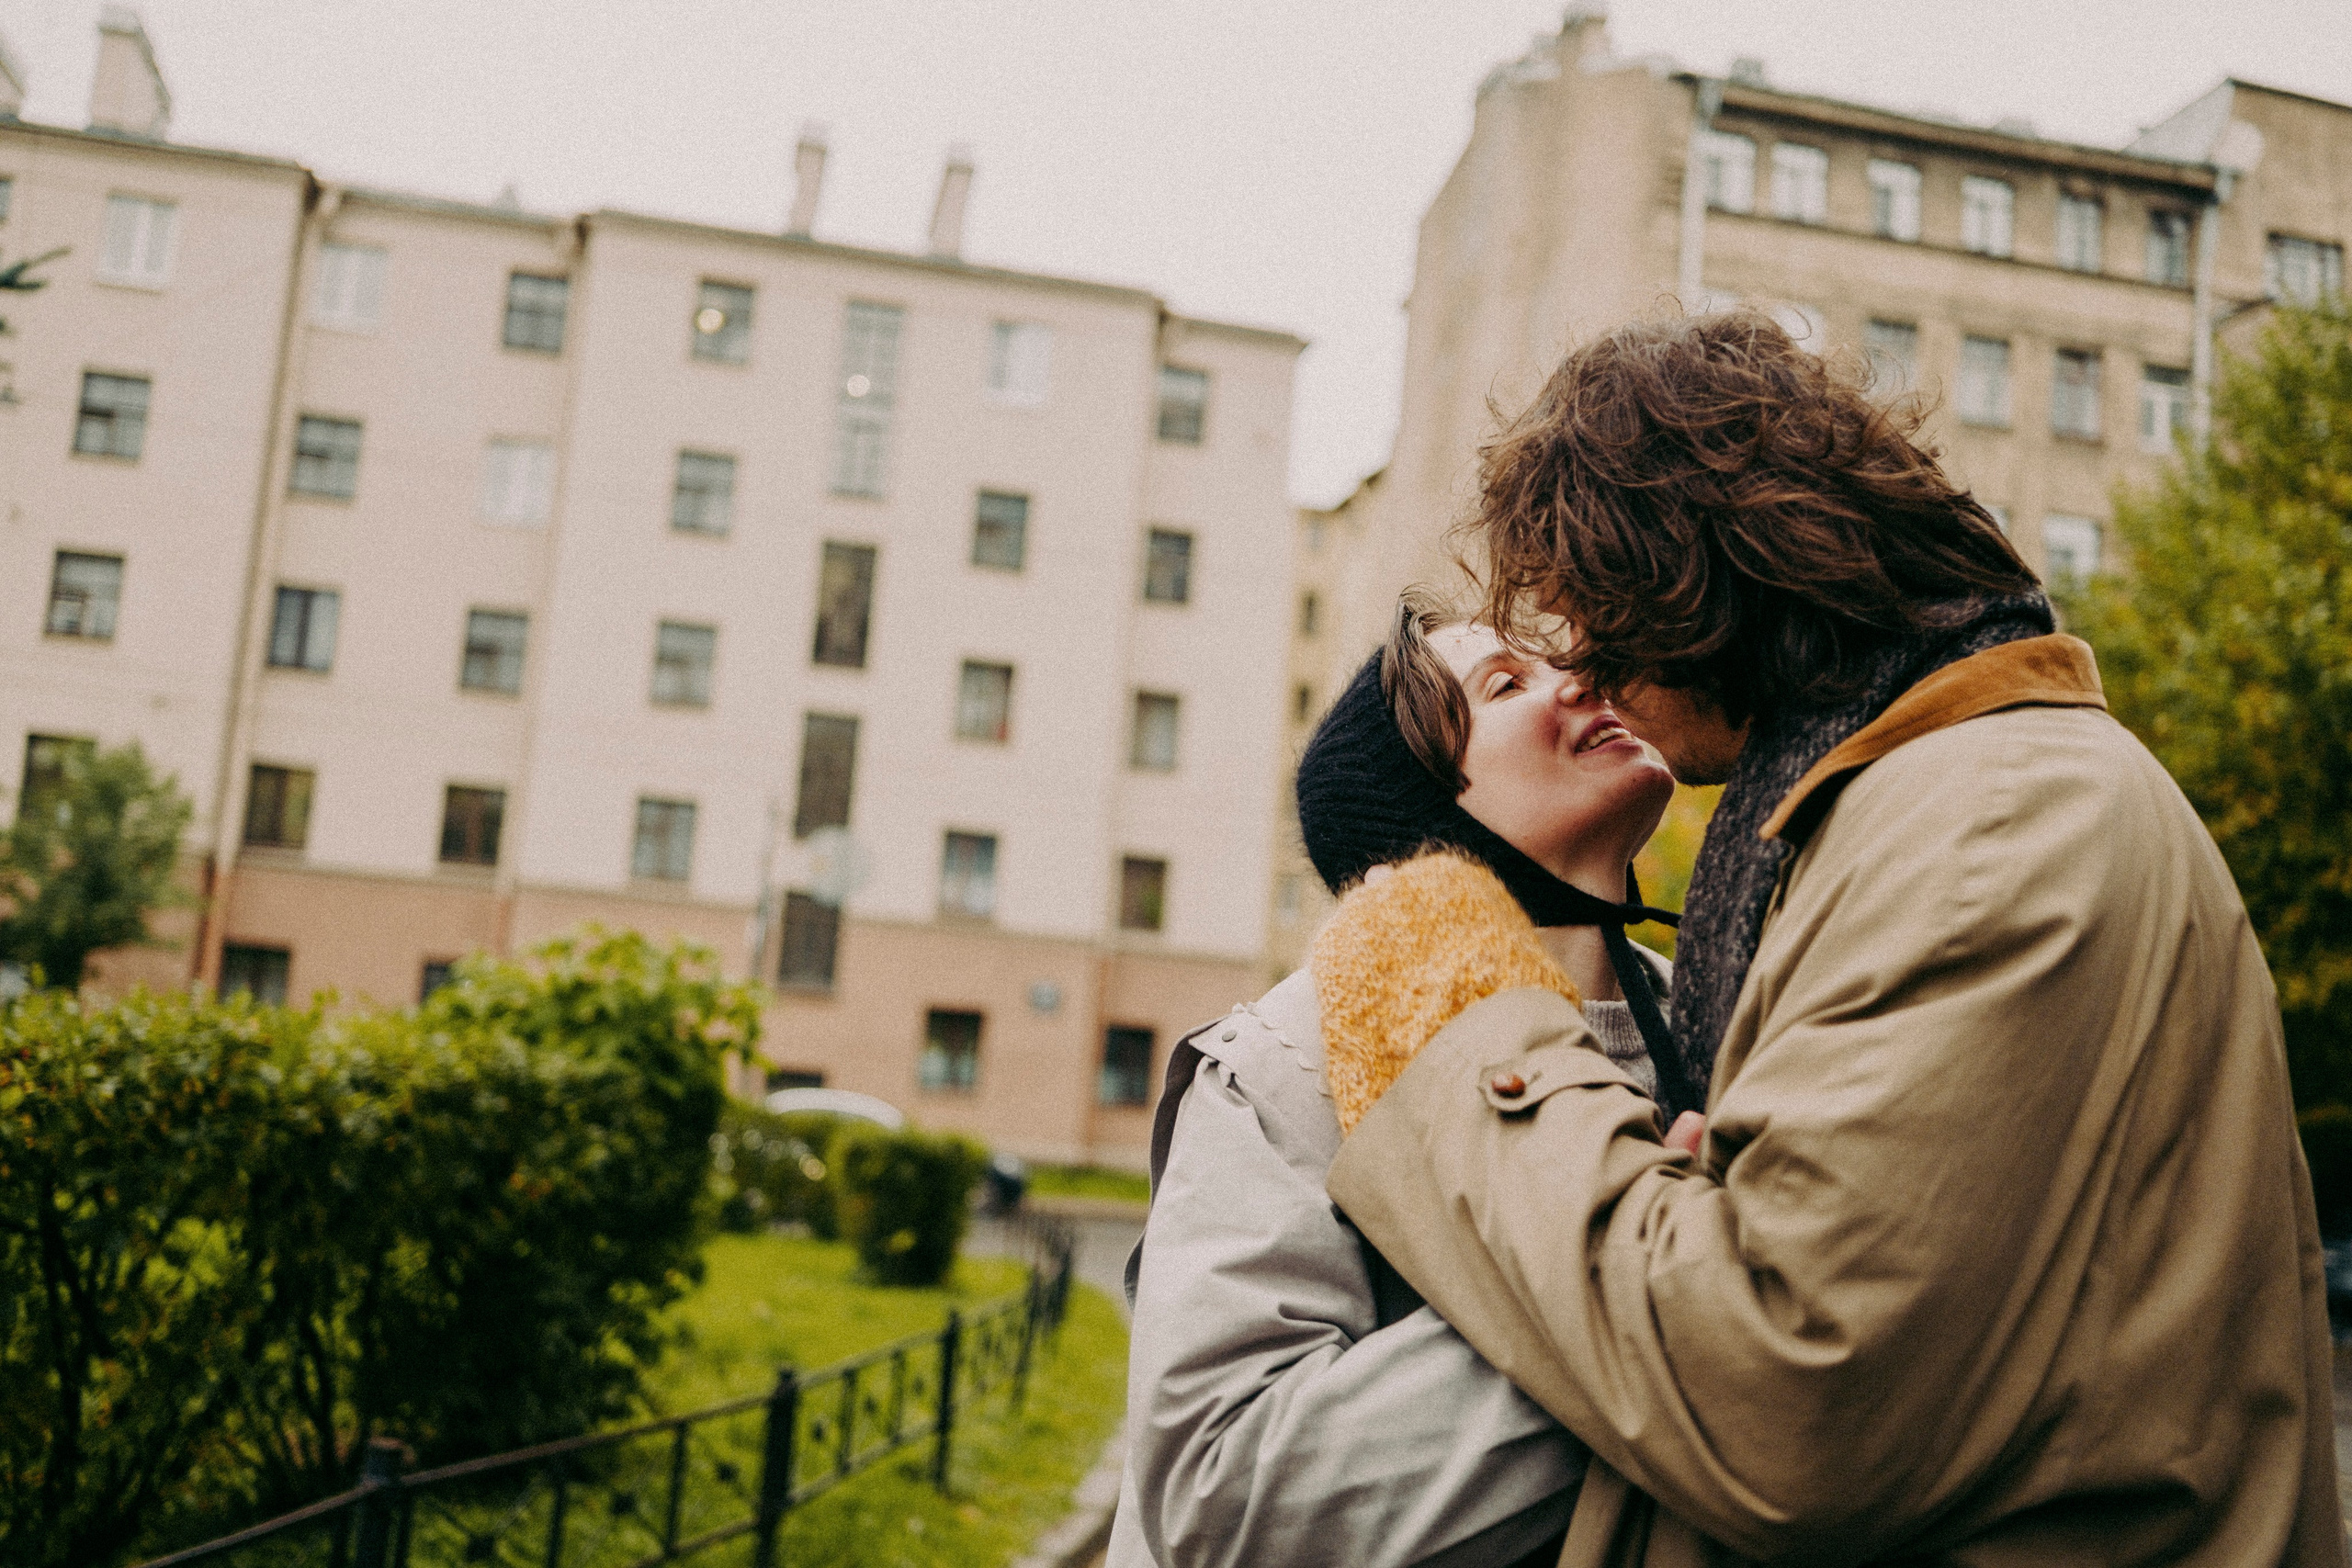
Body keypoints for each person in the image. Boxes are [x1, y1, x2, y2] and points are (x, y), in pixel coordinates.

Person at [1316, 311, 2345, 1566]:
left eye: (1590, 614)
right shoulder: (1934, 799)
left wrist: (1452, 1022)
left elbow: (1780, 1394)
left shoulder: (1987, 828)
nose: (1585, 668)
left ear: (1682, 585)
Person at [1107, 591, 1695, 1568]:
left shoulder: (1721, 1024)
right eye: (1507, 683)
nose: (1581, 679)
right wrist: (1663, 1305)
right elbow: (1226, 1500)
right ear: (1426, 817)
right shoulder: (1286, 1062)